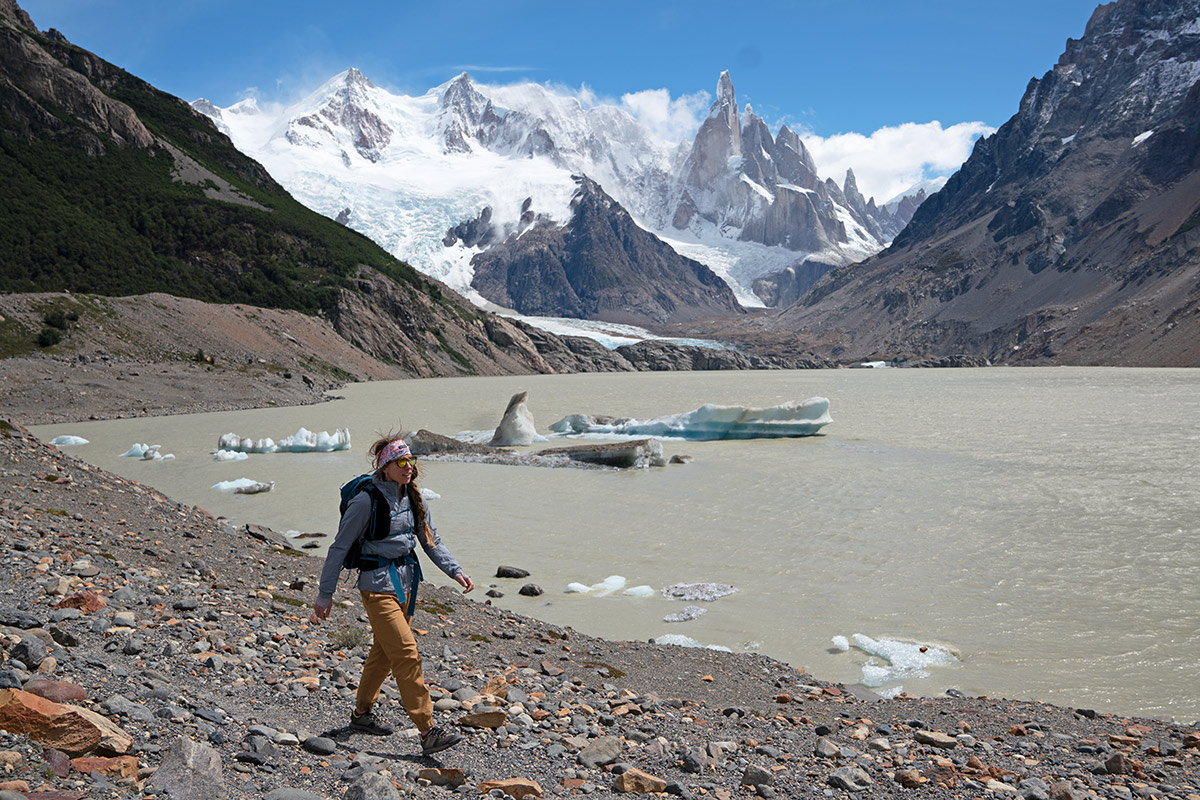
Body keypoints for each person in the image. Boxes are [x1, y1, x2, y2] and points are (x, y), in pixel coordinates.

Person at [313, 433, 475, 756]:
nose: (408, 467)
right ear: (385, 466)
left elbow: (431, 541)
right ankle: (428, 730)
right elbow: (339, 547)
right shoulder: (365, 502)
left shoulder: (414, 498)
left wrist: (455, 570)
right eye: (401, 462)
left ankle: (361, 714)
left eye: (410, 461)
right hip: (376, 588)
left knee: (384, 653)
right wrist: (324, 594)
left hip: (405, 584)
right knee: (406, 652)